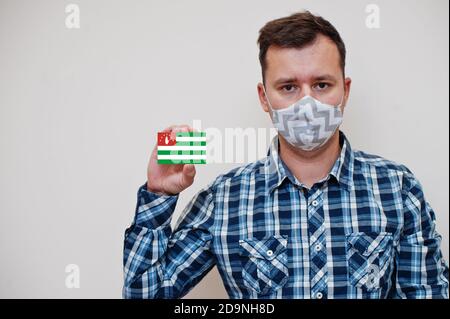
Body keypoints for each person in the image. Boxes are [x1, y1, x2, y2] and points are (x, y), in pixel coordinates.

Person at [123, 11, 449, 299]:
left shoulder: (397, 187)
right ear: (264, 98)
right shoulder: (224, 199)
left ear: (345, 91)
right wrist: (159, 195)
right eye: (288, 87)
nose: (307, 104)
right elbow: (144, 293)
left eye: (321, 84)